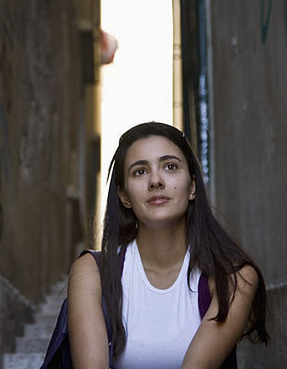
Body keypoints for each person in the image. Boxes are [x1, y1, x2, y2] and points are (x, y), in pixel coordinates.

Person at [68, 122, 269, 368]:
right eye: (140, 171)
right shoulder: (93, 272)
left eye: (170, 167)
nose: (155, 181)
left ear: (192, 186)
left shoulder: (235, 278)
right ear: (123, 196)